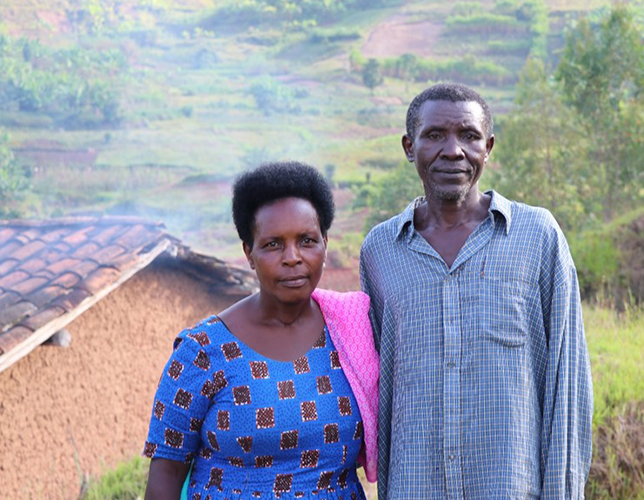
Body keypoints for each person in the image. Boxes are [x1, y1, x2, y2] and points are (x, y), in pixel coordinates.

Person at [359, 83, 593, 499]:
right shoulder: (380, 251)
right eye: (434, 135)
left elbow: (567, 386)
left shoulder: (537, 236)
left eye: (468, 135)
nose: (452, 150)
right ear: (409, 147)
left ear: (488, 147)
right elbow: (378, 390)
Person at [143, 161, 378, 500]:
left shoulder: (350, 333)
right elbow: (165, 477)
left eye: (307, 240)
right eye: (273, 245)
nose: (292, 257)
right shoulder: (203, 351)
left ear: (325, 244)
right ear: (248, 253)